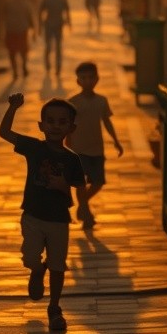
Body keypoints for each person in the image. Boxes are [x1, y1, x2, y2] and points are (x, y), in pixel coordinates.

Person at [0, 93, 86, 332]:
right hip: (33, 216)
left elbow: (79, 187)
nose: (55, 126)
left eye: (62, 122)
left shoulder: (72, 160)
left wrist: (64, 187)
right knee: (29, 256)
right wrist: (13, 107)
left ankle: (55, 308)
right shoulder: (34, 148)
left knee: (58, 265)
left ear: (71, 127)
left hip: (59, 220)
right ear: (41, 125)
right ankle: (37, 270)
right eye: (50, 121)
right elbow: (4, 132)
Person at [66, 61, 124, 229]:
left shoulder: (101, 101)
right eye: (83, 78)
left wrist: (116, 141)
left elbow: (107, 121)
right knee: (80, 183)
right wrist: (67, 140)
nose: (87, 81)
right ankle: (87, 216)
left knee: (98, 183)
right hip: (78, 149)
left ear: (97, 79)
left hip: (97, 149)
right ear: (78, 81)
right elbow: (68, 124)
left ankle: (83, 206)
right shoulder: (73, 102)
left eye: (91, 77)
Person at [3, 0, 36, 79]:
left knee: (20, 51)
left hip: (18, 30)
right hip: (14, 29)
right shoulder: (11, 3)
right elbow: (3, 16)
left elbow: (30, 17)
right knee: (16, 51)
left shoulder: (24, 3)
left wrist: (33, 30)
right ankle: (17, 70)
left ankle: (20, 69)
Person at [39, 0, 71, 76]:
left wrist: (40, 26)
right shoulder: (62, 0)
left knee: (49, 47)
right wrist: (69, 24)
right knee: (57, 48)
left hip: (50, 25)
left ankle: (49, 67)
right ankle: (57, 67)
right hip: (57, 25)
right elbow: (67, 13)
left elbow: (40, 13)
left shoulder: (47, 0)